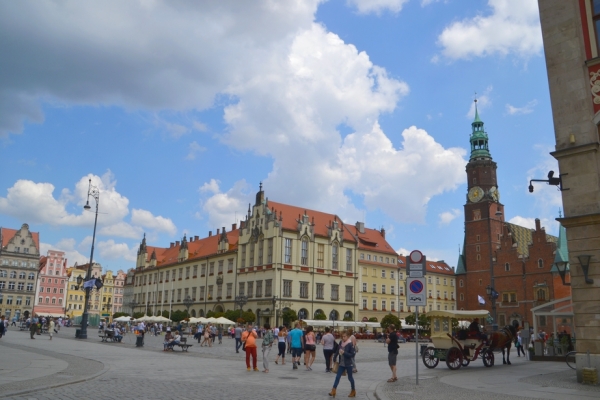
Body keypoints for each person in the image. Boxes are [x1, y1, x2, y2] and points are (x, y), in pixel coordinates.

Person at [329, 330, 356, 398]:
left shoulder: (350, 344)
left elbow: (352, 354)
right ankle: (333, 390)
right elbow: (338, 350)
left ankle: (353, 390)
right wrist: (335, 357)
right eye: (342, 336)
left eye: (344, 336)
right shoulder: (341, 342)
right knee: (337, 377)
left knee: (350, 378)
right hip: (341, 363)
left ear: (348, 336)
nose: (343, 338)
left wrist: (344, 353)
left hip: (348, 364)